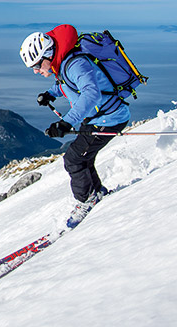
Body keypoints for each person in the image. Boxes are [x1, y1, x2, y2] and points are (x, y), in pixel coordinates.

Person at [20, 25, 130, 228]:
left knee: (73, 159)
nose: (36, 71)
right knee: (82, 157)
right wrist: (51, 94)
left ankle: (86, 201)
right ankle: (97, 194)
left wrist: (66, 122)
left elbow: (91, 93)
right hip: (100, 117)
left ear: (47, 55)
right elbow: (67, 84)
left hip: (109, 119)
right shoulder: (64, 63)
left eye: (36, 66)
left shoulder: (75, 63)